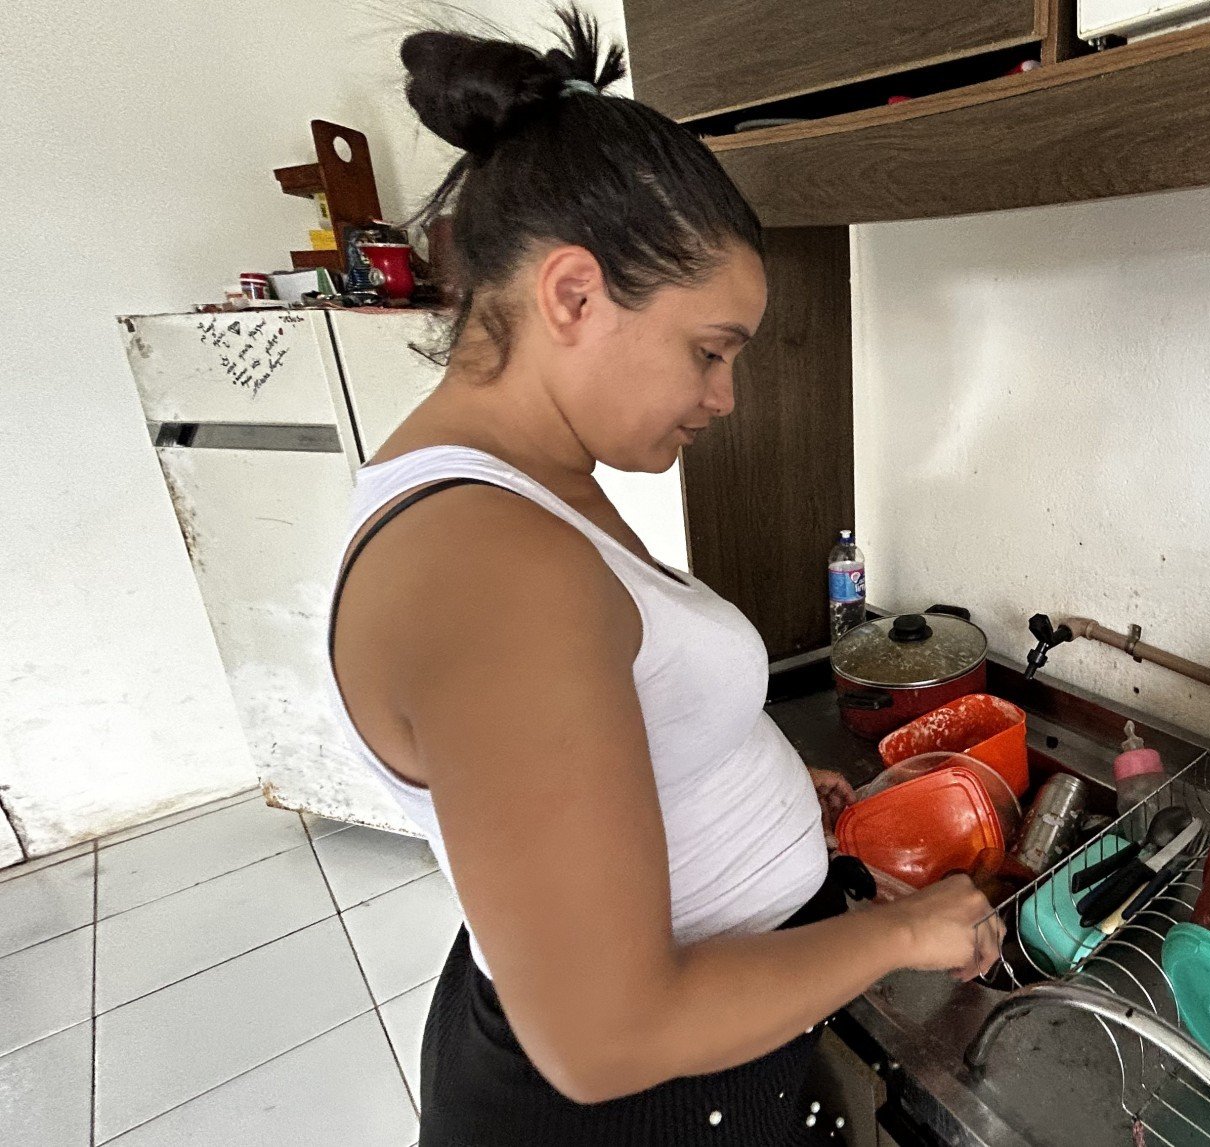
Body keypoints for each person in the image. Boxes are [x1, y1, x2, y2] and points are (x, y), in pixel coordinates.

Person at [322, 11, 1001, 1145]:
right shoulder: (488, 566)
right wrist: (905, 933)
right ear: (574, 295)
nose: (725, 398)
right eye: (710, 349)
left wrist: (748, 777)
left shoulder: (528, 486)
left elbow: (603, 722)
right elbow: (607, 1037)